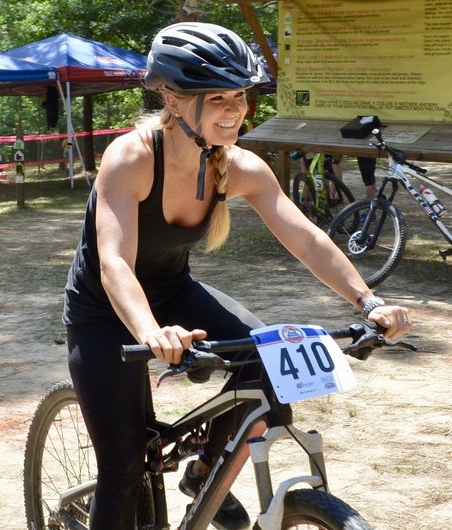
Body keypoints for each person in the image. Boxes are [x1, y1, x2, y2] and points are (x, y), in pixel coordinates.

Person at [62, 22, 412, 530]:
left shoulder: (241, 165)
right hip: (104, 313)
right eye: (218, 97)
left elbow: (306, 238)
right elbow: (114, 261)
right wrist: (150, 332)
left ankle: (205, 474)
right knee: (122, 472)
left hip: (173, 293)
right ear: (173, 99)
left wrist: (367, 302)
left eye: (241, 96)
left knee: (269, 363)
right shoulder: (132, 156)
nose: (236, 110)